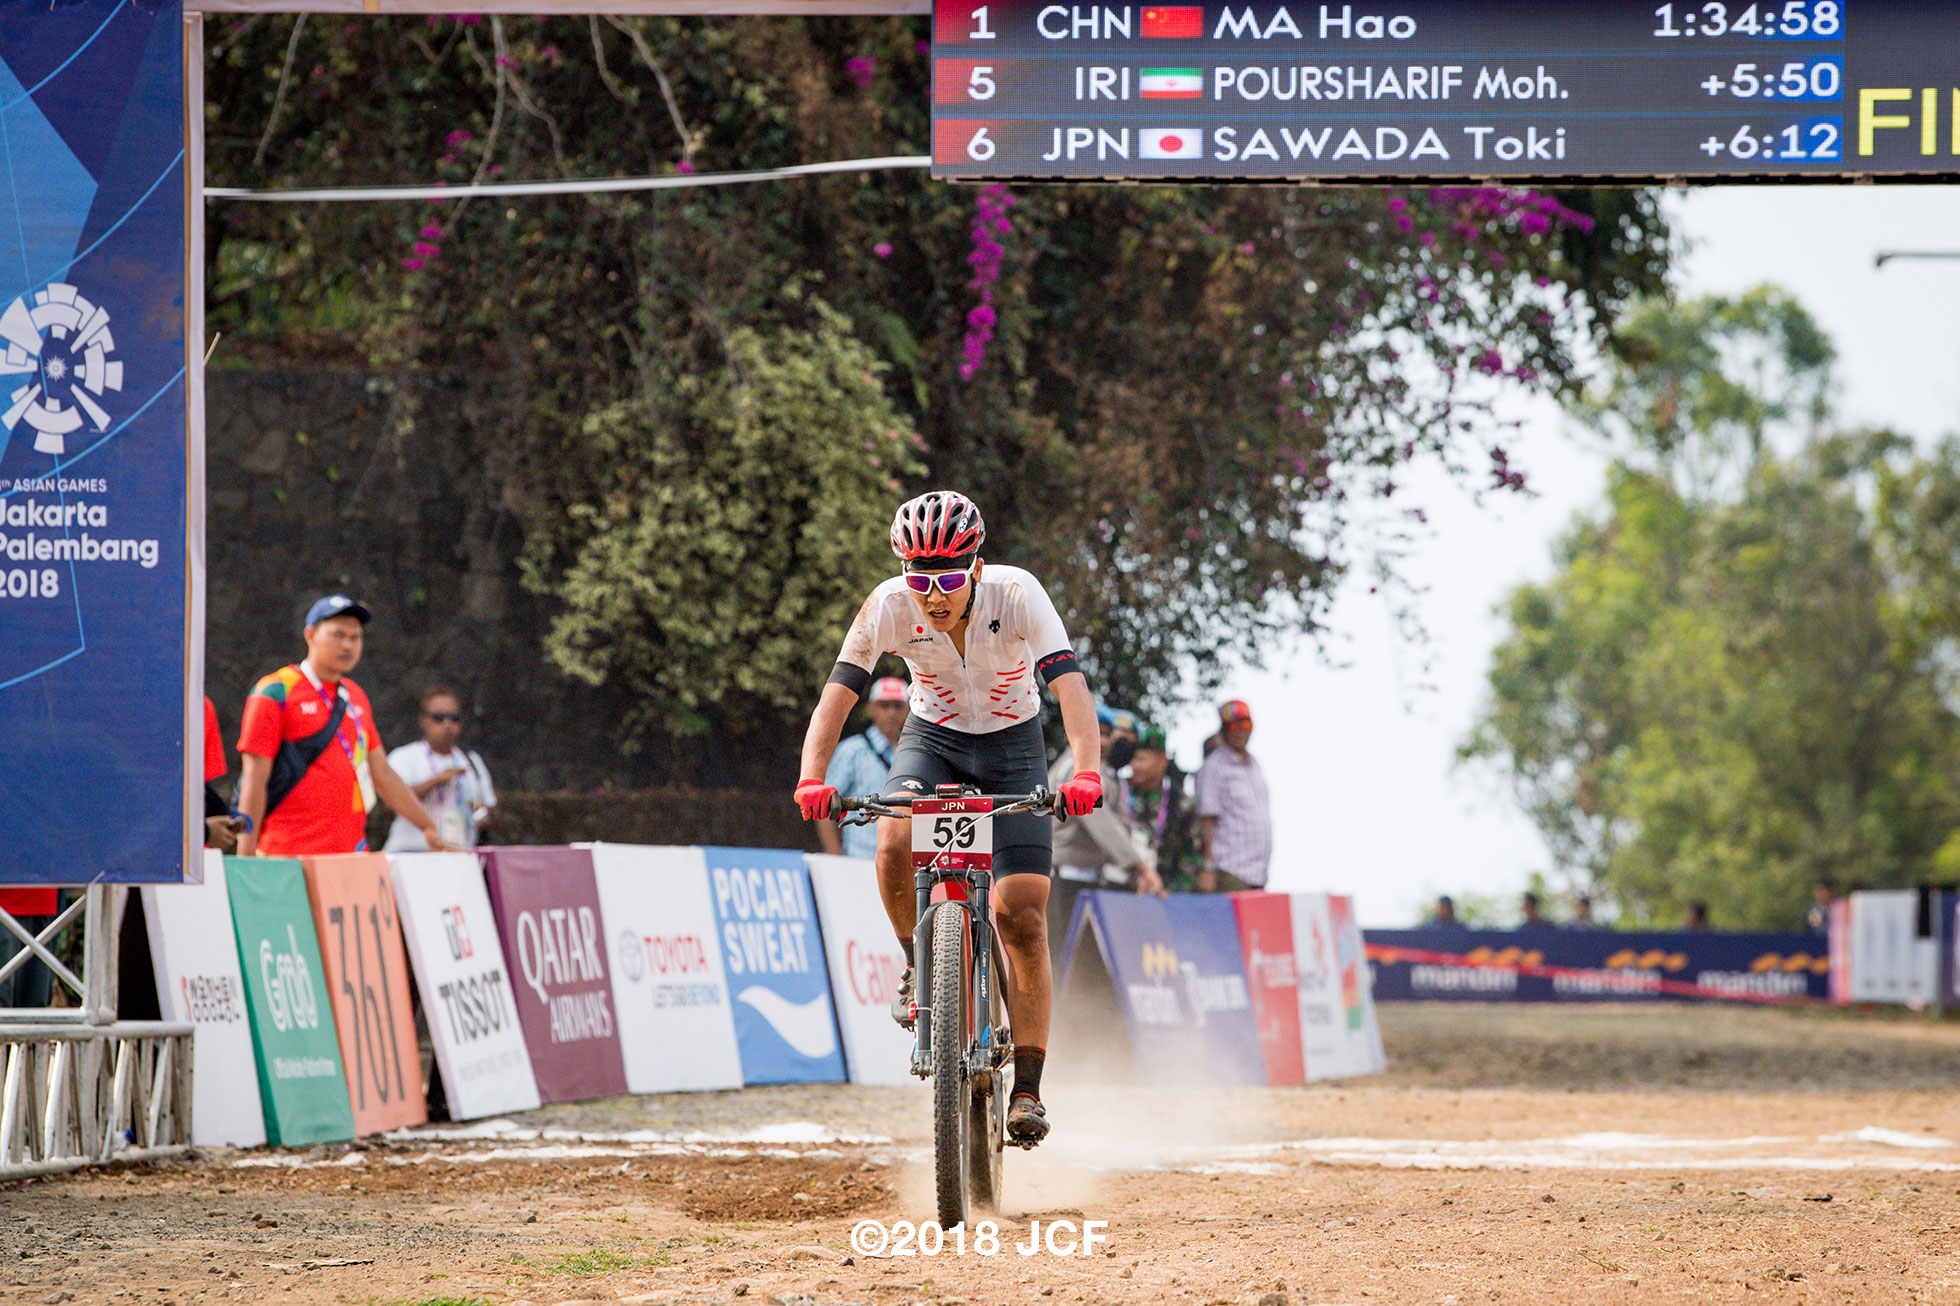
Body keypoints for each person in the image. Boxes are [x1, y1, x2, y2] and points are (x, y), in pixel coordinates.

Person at [793, 491, 1103, 1147]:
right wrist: (811, 778)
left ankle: (1026, 1089)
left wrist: (1084, 772)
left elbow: (1070, 685)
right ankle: (919, 962)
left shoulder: (1018, 595)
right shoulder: (887, 605)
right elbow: (837, 695)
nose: (934, 595)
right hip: (932, 740)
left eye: (950, 578)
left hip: (1015, 746)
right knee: (894, 838)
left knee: (1021, 916)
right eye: (920, 578)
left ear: (978, 570)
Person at [234, 596, 447, 858]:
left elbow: (382, 773)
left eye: (355, 637)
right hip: (287, 855)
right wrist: (244, 860)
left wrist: (426, 826)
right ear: (310, 635)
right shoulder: (275, 691)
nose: (348, 645)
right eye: (338, 635)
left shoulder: (355, 695)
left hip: (352, 855)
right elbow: (254, 780)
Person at [1049, 706, 1166, 936]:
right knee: (1060, 965)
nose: (1103, 741)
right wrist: (1140, 867)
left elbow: (1122, 824)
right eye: (1096, 733)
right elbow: (1100, 823)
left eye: (1108, 735)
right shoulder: (1076, 767)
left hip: (1086, 881)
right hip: (1064, 882)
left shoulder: (1100, 771)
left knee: (1083, 966)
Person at [384, 686, 498, 852]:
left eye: (454, 718)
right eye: (438, 717)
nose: (447, 724)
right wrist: (436, 781)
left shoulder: (471, 761)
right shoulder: (404, 757)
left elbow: (491, 809)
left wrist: (481, 812)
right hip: (411, 853)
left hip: (459, 854)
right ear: (423, 720)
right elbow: (390, 803)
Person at [816, 676, 910, 860]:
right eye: (884, 705)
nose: (891, 713)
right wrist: (836, 859)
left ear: (908, 710)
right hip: (861, 859)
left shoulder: (914, 752)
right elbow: (825, 807)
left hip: (904, 864)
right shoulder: (853, 751)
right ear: (871, 709)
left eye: (897, 706)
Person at [1193, 699, 1271, 892]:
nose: (1241, 731)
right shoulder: (1214, 766)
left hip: (1258, 873)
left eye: (1246, 724)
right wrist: (1208, 867)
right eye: (1235, 725)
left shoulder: (1254, 764)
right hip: (1229, 871)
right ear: (1224, 730)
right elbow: (1207, 820)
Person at [1127, 726, 1201, 893]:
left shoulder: (1181, 803)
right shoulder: (1122, 793)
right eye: (1133, 759)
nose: (1134, 765)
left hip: (1162, 895)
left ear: (1162, 761)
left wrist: (1173, 891)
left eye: (1142, 759)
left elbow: (1190, 855)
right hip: (1118, 890)